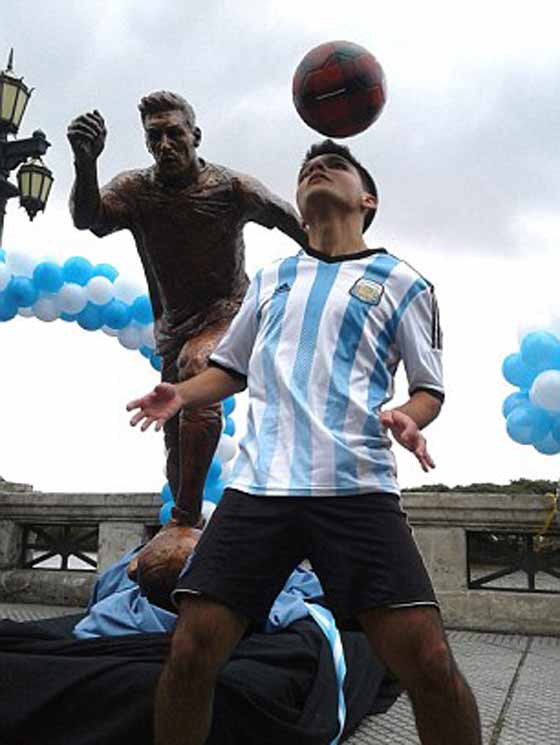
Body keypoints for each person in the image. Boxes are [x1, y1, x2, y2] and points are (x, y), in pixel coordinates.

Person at [127, 139, 482, 745]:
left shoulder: (405, 282)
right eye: (306, 168)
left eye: (335, 165)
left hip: (356, 487)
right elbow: (231, 368)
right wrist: (181, 394)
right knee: (190, 650)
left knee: (426, 660)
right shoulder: (272, 278)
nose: (316, 168)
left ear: (367, 200)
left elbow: (429, 389)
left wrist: (407, 415)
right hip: (258, 490)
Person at [67, 91, 306, 531]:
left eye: (174, 134)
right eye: (154, 137)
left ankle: (183, 520)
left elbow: (289, 219)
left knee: (197, 365)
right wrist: (85, 161)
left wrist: (329, 266)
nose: (165, 145)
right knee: (175, 438)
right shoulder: (135, 190)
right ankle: (185, 522)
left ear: (195, 136)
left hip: (229, 314)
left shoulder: (232, 187)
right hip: (175, 328)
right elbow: (89, 219)